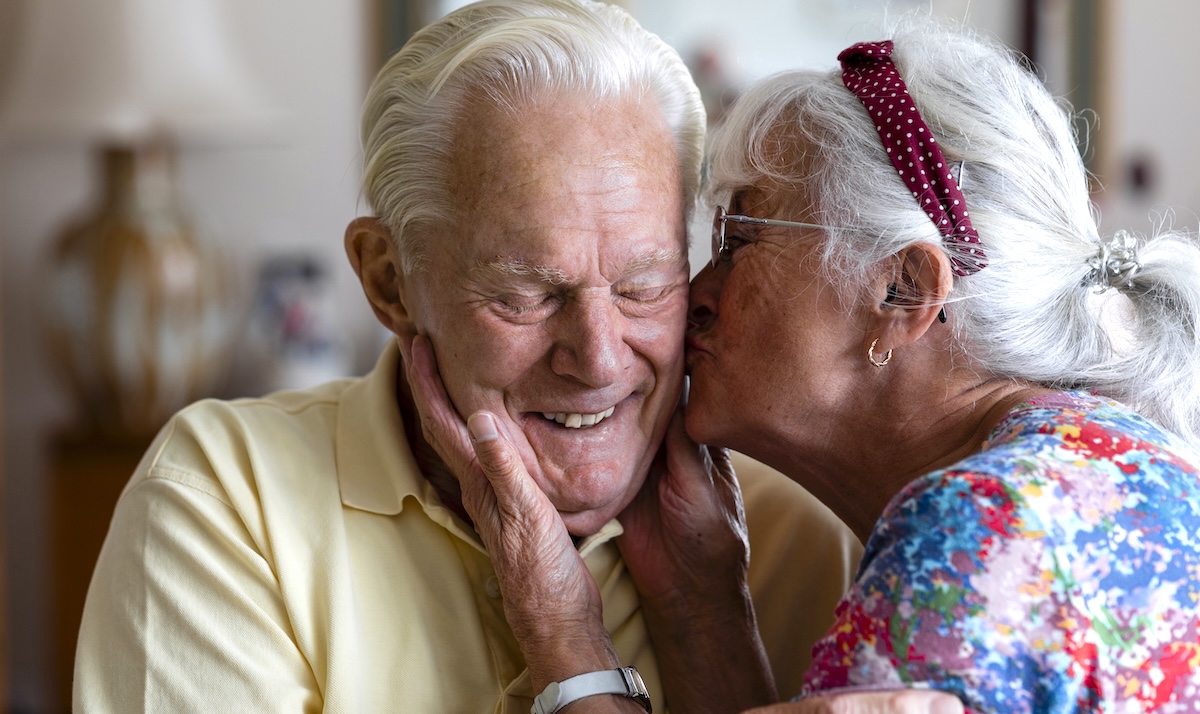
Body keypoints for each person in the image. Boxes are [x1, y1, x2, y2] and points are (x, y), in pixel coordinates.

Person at [72, 1, 866, 712]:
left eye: (643, 285)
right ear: (389, 282)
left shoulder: (801, 534)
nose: (596, 359)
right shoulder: (223, 500)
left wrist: (705, 622)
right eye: (525, 294)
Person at [413, 18, 1200, 714]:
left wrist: (563, 632)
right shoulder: (1102, 463)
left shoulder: (977, 530)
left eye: (740, 238)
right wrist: (700, 601)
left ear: (904, 289)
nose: (698, 294)